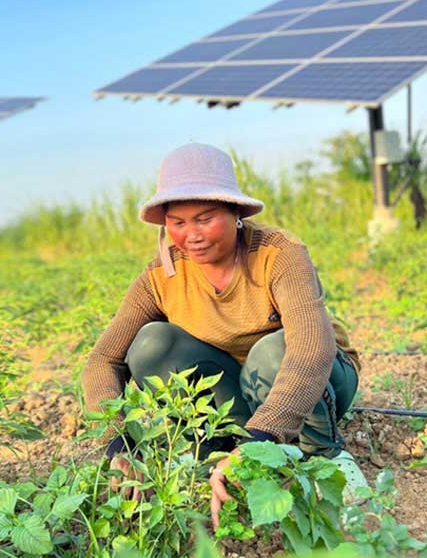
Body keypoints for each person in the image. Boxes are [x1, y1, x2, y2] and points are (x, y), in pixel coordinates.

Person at [81, 143, 368, 529]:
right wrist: (119, 444)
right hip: (235, 395)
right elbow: (103, 360)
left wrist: (260, 438)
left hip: (317, 384)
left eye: (205, 219)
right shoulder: (160, 277)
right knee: (152, 344)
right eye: (178, 223)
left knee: (271, 351)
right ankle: (213, 452)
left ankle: (324, 457)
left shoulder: (278, 254)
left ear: (235, 213)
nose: (191, 235)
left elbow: (311, 348)